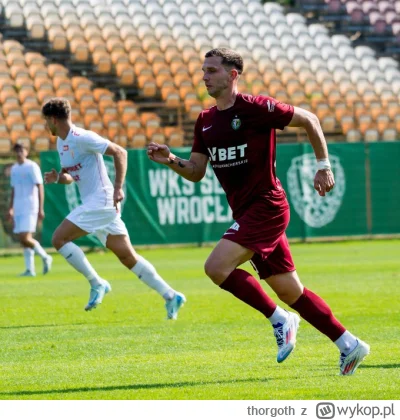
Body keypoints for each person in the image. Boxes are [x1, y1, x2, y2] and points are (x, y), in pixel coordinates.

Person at [147, 48, 369, 375]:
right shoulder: (205, 120)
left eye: (211, 70)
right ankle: (349, 344)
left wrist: (323, 165)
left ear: (232, 74)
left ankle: (280, 319)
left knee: (216, 266)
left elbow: (309, 119)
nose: (204, 76)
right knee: (290, 290)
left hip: (267, 206)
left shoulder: (256, 108)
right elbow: (196, 171)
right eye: (203, 70)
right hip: (247, 213)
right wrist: (170, 160)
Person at [42, 97, 185, 317]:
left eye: (46, 121)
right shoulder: (62, 143)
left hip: (102, 201)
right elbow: (71, 175)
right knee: (128, 257)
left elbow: (120, 152)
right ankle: (171, 295)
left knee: (58, 239)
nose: (45, 126)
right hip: (97, 205)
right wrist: (58, 178)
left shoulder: (83, 137)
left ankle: (97, 283)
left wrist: (118, 188)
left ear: (53, 119)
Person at [7, 143, 53, 277]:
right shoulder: (14, 168)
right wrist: (11, 208)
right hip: (18, 207)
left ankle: (45, 257)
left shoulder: (32, 166)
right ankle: (30, 270)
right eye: (16, 151)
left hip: (30, 206)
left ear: (26, 151)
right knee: (23, 240)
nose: (19, 153)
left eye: (21, 150)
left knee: (25, 237)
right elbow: (13, 189)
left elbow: (40, 187)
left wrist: (40, 208)